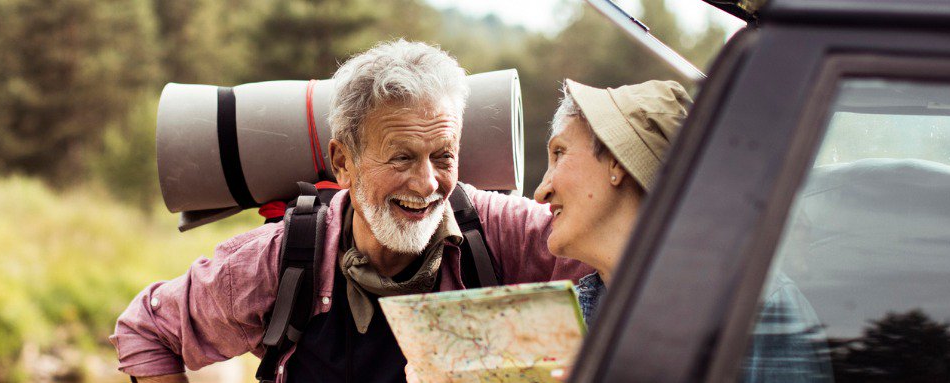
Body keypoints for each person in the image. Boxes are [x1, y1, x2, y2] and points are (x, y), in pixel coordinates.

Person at [110, 40, 591, 383]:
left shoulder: (498, 234)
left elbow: (628, 267)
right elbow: (149, 329)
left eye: (443, 157)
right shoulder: (285, 261)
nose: (427, 184)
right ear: (344, 162)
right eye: (401, 157)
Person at [533, 79, 832, 382]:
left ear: (616, 160)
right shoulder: (578, 316)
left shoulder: (758, 309)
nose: (541, 191)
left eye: (559, 153)